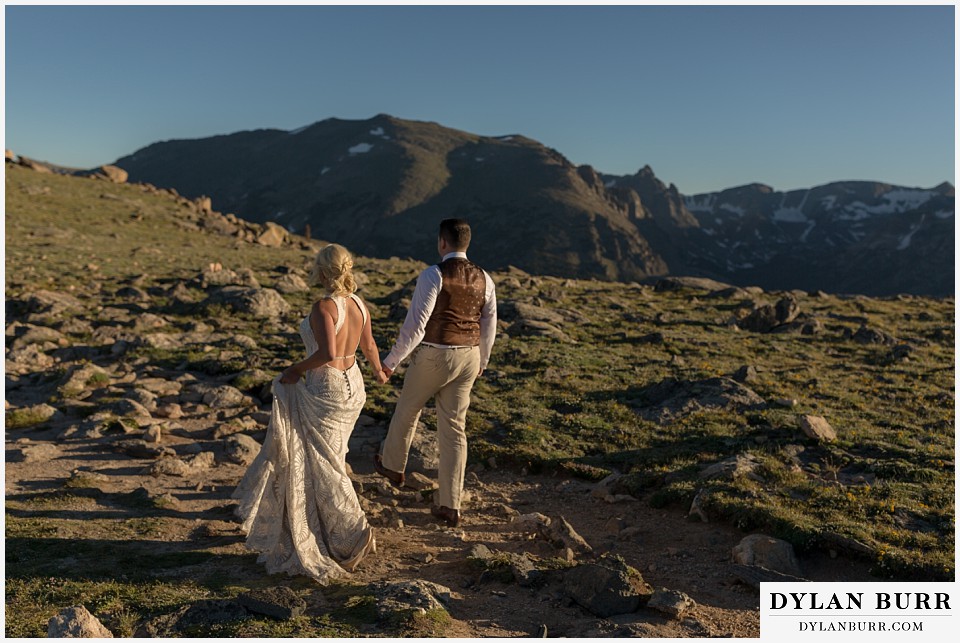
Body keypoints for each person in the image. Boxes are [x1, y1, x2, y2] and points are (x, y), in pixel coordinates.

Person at [233, 243, 387, 583]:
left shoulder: (323, 307)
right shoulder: (360, 304)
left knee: (325, 462)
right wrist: (378, 371)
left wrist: (294, 369)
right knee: (331, 457)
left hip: (326, 388)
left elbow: (326, 353)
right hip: (354, 387)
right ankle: (338, 531)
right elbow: (370, 345)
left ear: (321, 271)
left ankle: (353, 533)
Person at [374, 218, 497, 527]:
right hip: (469, 357)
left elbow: (416, 325)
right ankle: (450, 505)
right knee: (455, 430)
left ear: (442, 242)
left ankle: (392, 466)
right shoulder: (485, 278)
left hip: (435, 353)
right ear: (467, 243)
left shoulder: (434, 275)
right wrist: (483, 360)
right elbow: (489, 324)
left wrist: (391, 361)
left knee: (408, 409)